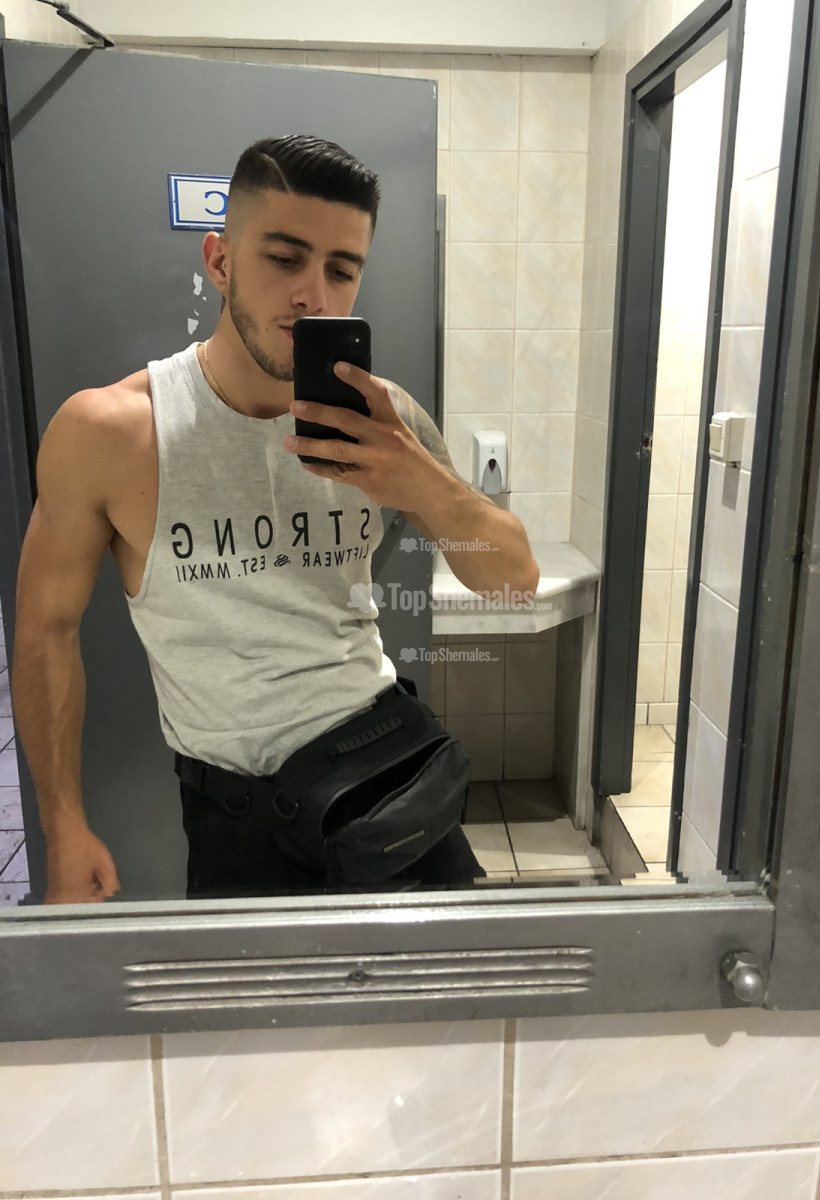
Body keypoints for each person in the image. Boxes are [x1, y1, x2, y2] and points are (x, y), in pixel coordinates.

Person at [12, 134, 540, 904]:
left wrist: (425, 483)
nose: (313, 296)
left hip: (387, 775)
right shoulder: (111, 433)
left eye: (341, 270)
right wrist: (63, 826)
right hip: (239, 818)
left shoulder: (385, 421)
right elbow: (44, 628)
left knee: (463, 983)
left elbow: (513, 582)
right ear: (220, 261)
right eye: (285, 259)